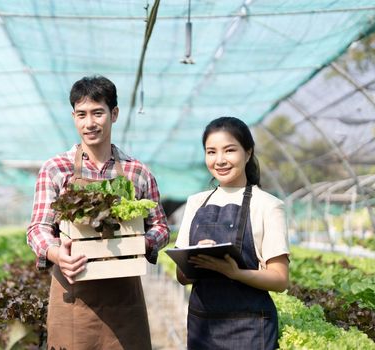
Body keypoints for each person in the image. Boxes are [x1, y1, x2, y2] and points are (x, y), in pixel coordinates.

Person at [27, 75, 170, 350]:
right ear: (73, 117)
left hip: (124, 300)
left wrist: (144, 242)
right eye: (81, 114)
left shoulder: (137, 172)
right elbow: (37, 229)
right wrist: (57, 254)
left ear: (113, 114)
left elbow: (161, 226)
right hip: (74, 296)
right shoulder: (55, 169)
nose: (89, 123)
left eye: (97, 113)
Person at [174, 116, 289, 349]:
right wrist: (195, 259)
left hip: (250, 329)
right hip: (202, 326)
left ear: (248, 153)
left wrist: (235, 272)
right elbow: (182, 277)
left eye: (229, 150)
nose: (220, 160)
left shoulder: (268, 205)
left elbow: (280, 279)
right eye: (211, 152)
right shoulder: (196, 203)